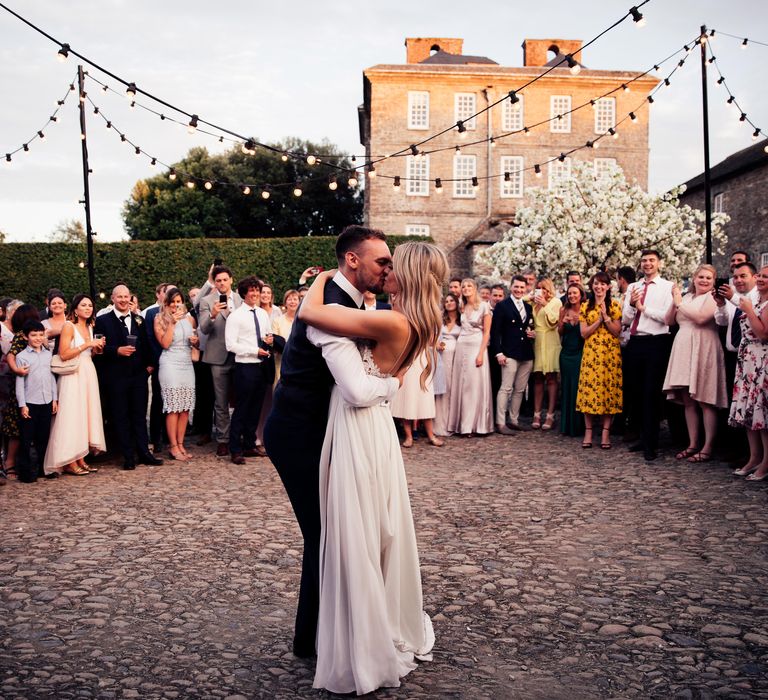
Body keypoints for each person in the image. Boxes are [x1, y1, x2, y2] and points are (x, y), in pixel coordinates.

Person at [297, 240, 445, 695]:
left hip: (358, 428)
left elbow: (309, 316)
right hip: (377, 428)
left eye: (392, 266)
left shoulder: (390, 320)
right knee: (379, 528)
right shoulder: (415, 321)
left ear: (410, 276)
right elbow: (386, 382)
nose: (385, 272)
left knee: (356, 531)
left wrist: (319, 278)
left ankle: (360, 638)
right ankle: (371, 620)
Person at [264, 225, 397, 660]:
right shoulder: (332, 307)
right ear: (352, 260)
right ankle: (315, 641)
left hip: (333, 432)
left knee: (338, 531)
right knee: (324, 533)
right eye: (381, 261)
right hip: (300, 433)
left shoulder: (345, 300)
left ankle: (331, 633)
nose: (387, 269)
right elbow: (356, 388)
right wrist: (392, 386)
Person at [662, 265, 727, 463]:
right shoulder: (687, 297)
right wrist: (675, 301)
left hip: (704, 345)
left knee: (704, 398)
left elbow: (700, 318)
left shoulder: (712, 298)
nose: (704, 281)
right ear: (694, 277)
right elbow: (668, 321)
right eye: (701, 277)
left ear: (713, 281)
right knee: (688, 400)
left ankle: (707, 446)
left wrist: (680, 304)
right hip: (683, 347)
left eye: (709, 278)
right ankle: (693, 443)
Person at [94, 285, 162, 471]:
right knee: (121, 416)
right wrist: (116, 350)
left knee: (139, 416)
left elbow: (148, 343)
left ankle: (144, 453)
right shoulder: (102, 320)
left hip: (138, 376)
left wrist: (149, 366)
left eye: (126, 296)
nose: (123, 300)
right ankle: (127, 456)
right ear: (113, 299)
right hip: (116, 377)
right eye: (120, 297)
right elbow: (98, 348)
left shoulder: (139, 319)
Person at [45, 294, 106, 476]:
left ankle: (80, 457)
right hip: (72, 374)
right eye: (84, 305)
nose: (88, 308)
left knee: (84, 415)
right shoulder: (68, 326)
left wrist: (96, 349)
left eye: (90, 306)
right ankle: (69, 459)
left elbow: (88, 354)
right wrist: (87, 343)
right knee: (71, 415)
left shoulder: (89, 326)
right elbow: (64, 354)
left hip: (88, 371)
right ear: (75, 309)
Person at [622, 250, 674, 461]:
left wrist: (644, 308)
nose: (647, 264)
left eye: (651, 260)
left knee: (651, 393)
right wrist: (634, 307)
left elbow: (666, 318)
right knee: (635, 392)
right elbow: (626, 318)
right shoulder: (634, 287)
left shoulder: (667, 287)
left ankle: (652, 444)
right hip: (636, 342)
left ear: (659, 263)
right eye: (644, 260)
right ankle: (642, 437)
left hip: (656, 342)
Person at [225, 276, 272, 465]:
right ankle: (235, 449)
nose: (255, 294)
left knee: (256, 408)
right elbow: (230, 345)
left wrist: (269, 340)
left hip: (262, 365)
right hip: (245, 366)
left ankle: (249, 445)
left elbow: (267, 334)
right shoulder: (236, 316)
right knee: (242, 408)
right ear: (244, 293)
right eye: (251, 291)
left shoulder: (262, 314)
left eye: (257, 291)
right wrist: (254, 350)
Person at [715, 262, 758, 464]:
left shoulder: (755, 298)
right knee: (738, 405)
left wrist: (732, 298)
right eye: (736, 277)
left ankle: (752, 454)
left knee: (752, 406)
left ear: (754, 277)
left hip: (754, 357)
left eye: (743, 276)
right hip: (735, 354)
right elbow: (723, 322)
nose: (739, 280)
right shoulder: (734, 299)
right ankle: (739, 450)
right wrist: (722, 304)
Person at [728, 264, 768, 480]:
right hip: (747, 360)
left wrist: (750, 311)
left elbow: (763, 334)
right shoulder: (754, 300)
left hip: (762, 359)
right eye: (760, 275)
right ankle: (754, 457)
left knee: (762, 414)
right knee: (748, 411)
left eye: (765, 277)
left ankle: (766, 462)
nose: (761, 279)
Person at [198, 266, 242, 457]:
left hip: (240, 355)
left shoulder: (241, 299)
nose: (222, 283)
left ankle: (239, 436)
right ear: (214, 283)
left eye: (225, 279)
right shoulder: (207, 301)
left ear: (231, 280)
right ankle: (223, 440)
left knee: (241, 399)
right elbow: (204, 329)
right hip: (218, 357)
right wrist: (213, 314)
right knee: (221, 401)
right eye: (218, 280)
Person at [576, 272, 623, 449]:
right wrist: (598, 321)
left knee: (608, 391)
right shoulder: (585, 306)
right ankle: (588, 431)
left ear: (608, 287)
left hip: (610, 354)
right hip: (591, 353)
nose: (599, 287)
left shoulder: (616, 305)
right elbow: (584, 333)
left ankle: (605, 433)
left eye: (603, 284)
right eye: (596, 284)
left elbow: (617, 331)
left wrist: (607, 318)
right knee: (589, 390)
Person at [155, 287, 199, 461]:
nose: (175, 305)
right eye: (172, 302)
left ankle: (181, 444)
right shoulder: (160, 319)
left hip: (187, 363)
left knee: (185, 407)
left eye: (178, 301)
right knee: (173, 407)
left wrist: (196, 342)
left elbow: (195, 341)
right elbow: (165, 344)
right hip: (170, 363)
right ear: (166, 303)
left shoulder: (190, 319)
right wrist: (172, 322)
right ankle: (172, 446)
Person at [447, 278, 493, 436]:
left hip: (476, 346)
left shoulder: (483, 306)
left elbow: (487, 332)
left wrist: (481, 353)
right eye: (463, 286)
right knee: (461, 384)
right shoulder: (461, 305)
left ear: (475, 288)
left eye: (469, 286)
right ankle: (461, 425)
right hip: (461, 346)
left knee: (473, 386)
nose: (466, 288)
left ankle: (474, 425)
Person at [490, 275, 535, 433]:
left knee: (520, 389)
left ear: (526, 289)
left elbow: (527, 327)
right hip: (509, 353)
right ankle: (501, 422)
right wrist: (499, 353)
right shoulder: (502, 306)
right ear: (511, 287)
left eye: (522, 288)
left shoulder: (528, 307)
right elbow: (495, 332)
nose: (519, 290)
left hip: (526, 353)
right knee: (506, 388)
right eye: (516, 287)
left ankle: (514, 420)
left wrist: (532, 333)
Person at [15, 320, 57, 483]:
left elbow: (52, 377)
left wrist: (55, 398)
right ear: (26, 337)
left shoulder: (48, 354)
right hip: (30, 402)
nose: (38, 338)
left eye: (40, 335)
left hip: (46, 401)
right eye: (33, 335)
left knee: (43, 437)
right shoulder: (21, 357)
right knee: (26, 438)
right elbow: (20, 382)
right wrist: (22, 404)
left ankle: (41, 469)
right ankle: (26, 472)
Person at [391, 350, 443, 447]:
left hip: (423, 363)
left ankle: (431, 436)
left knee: (425, 400)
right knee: (408, 398)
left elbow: (431, 342)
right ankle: (409, 436)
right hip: (408, 361)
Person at [531, 277, 562, 430]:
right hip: (537, 341)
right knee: (537, 377)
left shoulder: (556, 302)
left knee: (551, 378)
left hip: (550, 340)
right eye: (538, 288)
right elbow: (522, 299)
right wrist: (533, 297)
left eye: (544, 288)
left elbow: (554, 321)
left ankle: (550, 414)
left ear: (549, 289)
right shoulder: (533, 301)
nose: (541, 291)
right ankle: (537, 413)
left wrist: (545, 305)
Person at [145, 282, 171, 453]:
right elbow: (149, 338)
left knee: (172, 401)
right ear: (159, 295)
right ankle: (156, 437)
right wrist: (155, 362)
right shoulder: (152, 313)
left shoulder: (180, 314)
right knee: (158, 401)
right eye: (167, 293)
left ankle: (171, 436)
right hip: (159, 361)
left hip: (177, 362)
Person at [558, 283, 585, 437]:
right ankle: (566, 425)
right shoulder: (563, 309)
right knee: (567, 387)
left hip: (580, 353)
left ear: (581, 294)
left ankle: (578, 425)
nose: (572, 296)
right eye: (569, 294)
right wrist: (563, 322)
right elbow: (560, 332)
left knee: (577, 388)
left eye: (575, 293)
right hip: (566, 353)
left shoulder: (586, 309)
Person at [434, 293, 461, 436]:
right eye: (447, 301)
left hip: (457, 358)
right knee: (443, 387)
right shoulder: (440, 320)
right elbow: (434, 336)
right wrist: (437, 344)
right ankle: (439, 424)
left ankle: (452, 422)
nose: (449, 303)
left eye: (452, 301)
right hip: (442, 357)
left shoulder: (463, 320)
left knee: (454, 388)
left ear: (457, 303)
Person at [272, 289, 299, 381]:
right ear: (285, 303)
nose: (292, 302)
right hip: (282, 363)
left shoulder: (304, 321)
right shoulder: (277, 321)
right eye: (289, 299)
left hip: (300, 363)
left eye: (295, 299)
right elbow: (275, 343)